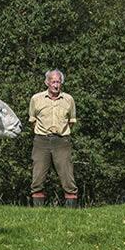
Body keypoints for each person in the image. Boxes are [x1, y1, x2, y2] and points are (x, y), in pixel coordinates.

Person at [28, 69, 78, 208]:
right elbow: (32, 121)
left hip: (62, 142)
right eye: (53, 81)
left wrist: (61, 134)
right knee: (37, 179)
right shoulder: (36, 99)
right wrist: (42, 134)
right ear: (47, 82)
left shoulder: (69, 99)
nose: (56, 85)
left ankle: (71, 213)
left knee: (68, 179)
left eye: (58, 82)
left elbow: (71, 121)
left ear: (61, 83)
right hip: (41, 141)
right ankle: (38, 213)